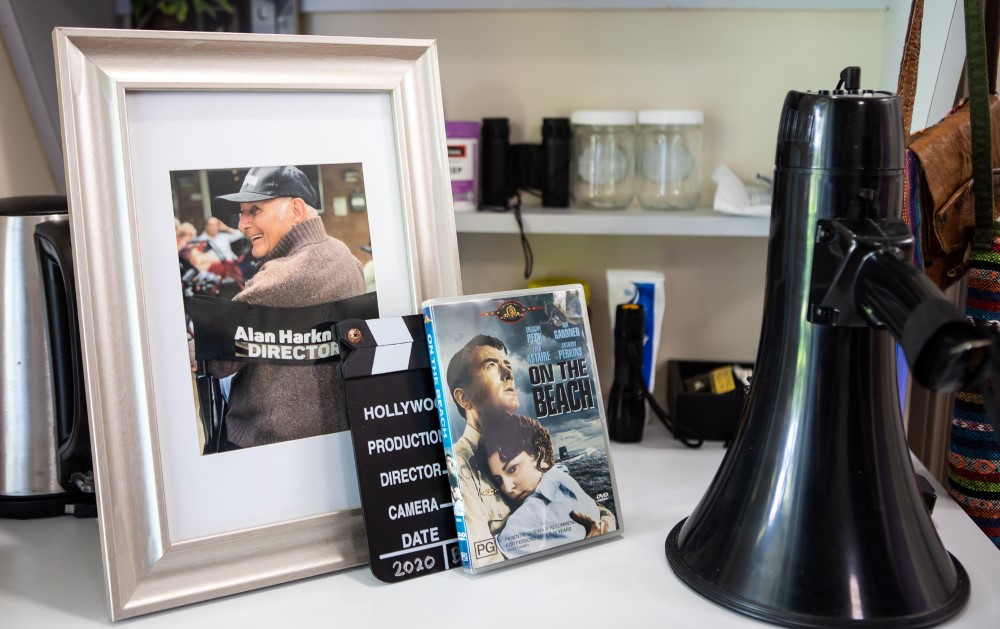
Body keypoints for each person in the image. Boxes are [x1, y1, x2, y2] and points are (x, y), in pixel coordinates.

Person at [204, 165, 365, 449]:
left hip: (264, 444)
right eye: (242, 213)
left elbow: (215, 359)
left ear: (296, 210)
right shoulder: (346, 257)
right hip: (335, 437)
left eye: (254, 210)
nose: (242, 224)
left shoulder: (281, 277)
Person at [480, 413, 610, 559]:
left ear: (538, 454)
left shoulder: (525, 517)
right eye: (499, 480)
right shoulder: (561, 475)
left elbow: (495, 551)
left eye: (512, 469)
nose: (508, 488)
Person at [445, 334, 519, 566]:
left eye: (507, 365)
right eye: (491, 366)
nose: (508, 373)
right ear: (463, 398)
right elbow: (485, 560)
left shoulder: (526, 443)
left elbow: (599, 513)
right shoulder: (459, 464)